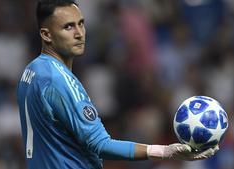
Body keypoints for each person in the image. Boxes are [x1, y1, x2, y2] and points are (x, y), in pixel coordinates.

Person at [16, 0, 219, 168]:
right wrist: (165, 151)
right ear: (46, 35)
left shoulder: (31, 71)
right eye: (68, 26)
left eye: (81, 23)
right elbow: (101, 144)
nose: (79, 33)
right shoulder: (61, 81)